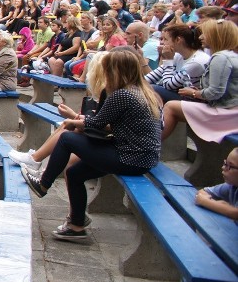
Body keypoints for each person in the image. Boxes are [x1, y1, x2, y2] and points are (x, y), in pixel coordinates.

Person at [22, 50, 162, 241]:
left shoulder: (122, 95)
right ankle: (76, 226)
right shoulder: (144, 92)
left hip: (129, 157)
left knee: (67, 139)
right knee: (74, 173)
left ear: (114, 70)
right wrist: (77, 119)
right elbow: (106, 123)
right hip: (142, 157)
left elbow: (96, 124)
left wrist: (72, 120)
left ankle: (44, 183)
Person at [161, 19, 238, 144]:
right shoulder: (229, 55)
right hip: (230, 110)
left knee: (170, 107)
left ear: (216, 36)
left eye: (205, 33)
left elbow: (214, 93)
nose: (200, 37)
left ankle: (149, 148)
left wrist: (194, 93)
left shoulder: (221, 57)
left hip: (229, 113)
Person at [145, 24, 209, 102]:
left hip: (193, 99)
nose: (162, 43)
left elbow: (168, 85)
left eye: (165, 39)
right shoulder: (179, 55)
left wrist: (168, 60)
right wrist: (136, 83)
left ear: (178, 40)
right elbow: (156, 74)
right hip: (178, 93)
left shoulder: (196, 62)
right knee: (143, 86)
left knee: (152, 88)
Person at [195, 147, 238, 221]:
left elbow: (235, 213)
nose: (223, 167)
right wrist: (218, 204)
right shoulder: (232, 186)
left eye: (230, 166)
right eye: (225, 163)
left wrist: (205, 202)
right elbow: (203, 191)